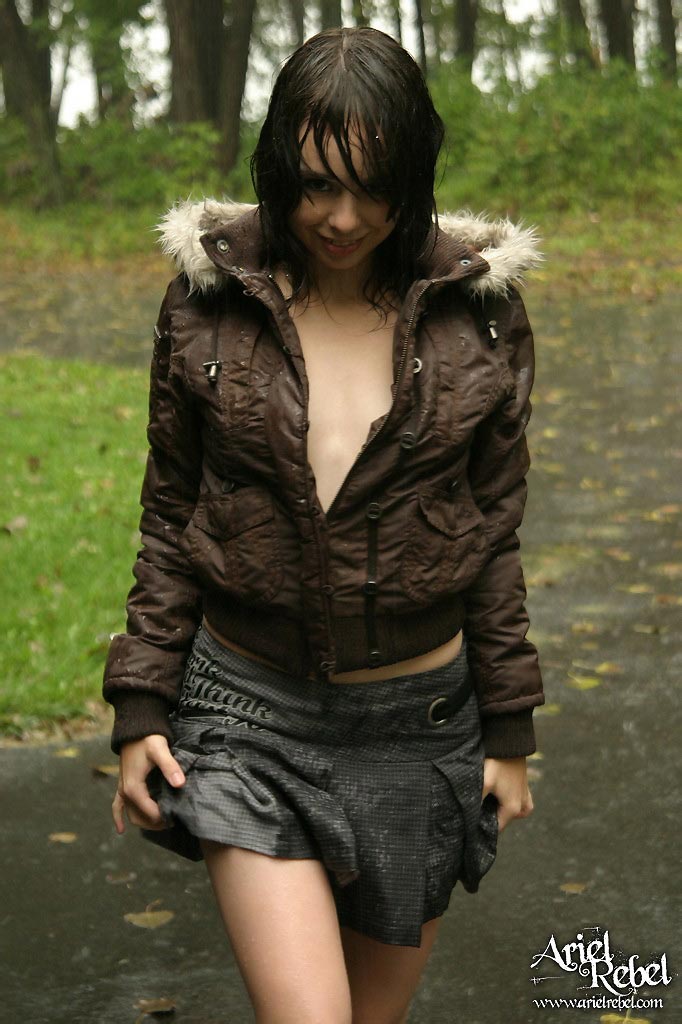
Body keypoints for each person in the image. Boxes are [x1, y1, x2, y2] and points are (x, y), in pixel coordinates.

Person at [103, 25, 544, 1024]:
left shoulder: (477, 315)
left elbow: (490, 531)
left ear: (413, 176)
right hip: (247, 717)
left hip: (418, 729)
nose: (342, 218)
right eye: (314, 185)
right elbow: (171, 513)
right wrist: (141, 703)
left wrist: (510, 728)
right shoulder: (211, 302)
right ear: (275, 167)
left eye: (372, 189)